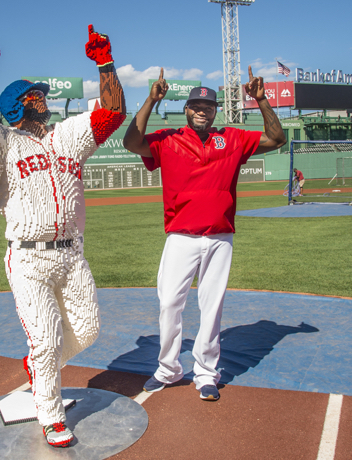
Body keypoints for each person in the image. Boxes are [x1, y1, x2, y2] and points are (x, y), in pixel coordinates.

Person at [0, 26, 126, 447]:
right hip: (29, 259)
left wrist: (104, 62)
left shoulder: (69, 135)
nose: (41, 96)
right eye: (33, 94)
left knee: (88, 330)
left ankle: (38, 366)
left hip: (71, 255)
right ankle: (51, 414)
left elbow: (113, 112)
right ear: (16, 106)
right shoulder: (3, 143)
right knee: (45, 338)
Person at [123, 66, 286, 401]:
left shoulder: (233, 138)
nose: (202, 110)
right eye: (196, 106)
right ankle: (168, 368)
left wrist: (261, 99)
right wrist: (151, 100)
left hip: (219, 238)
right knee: (169, 303)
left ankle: (206, 373)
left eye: (208, 107)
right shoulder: (167, 139)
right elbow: (131, 142)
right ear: (186, 110)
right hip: (180, 237)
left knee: (212, 308)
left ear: (215, 111)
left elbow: (277, 138)